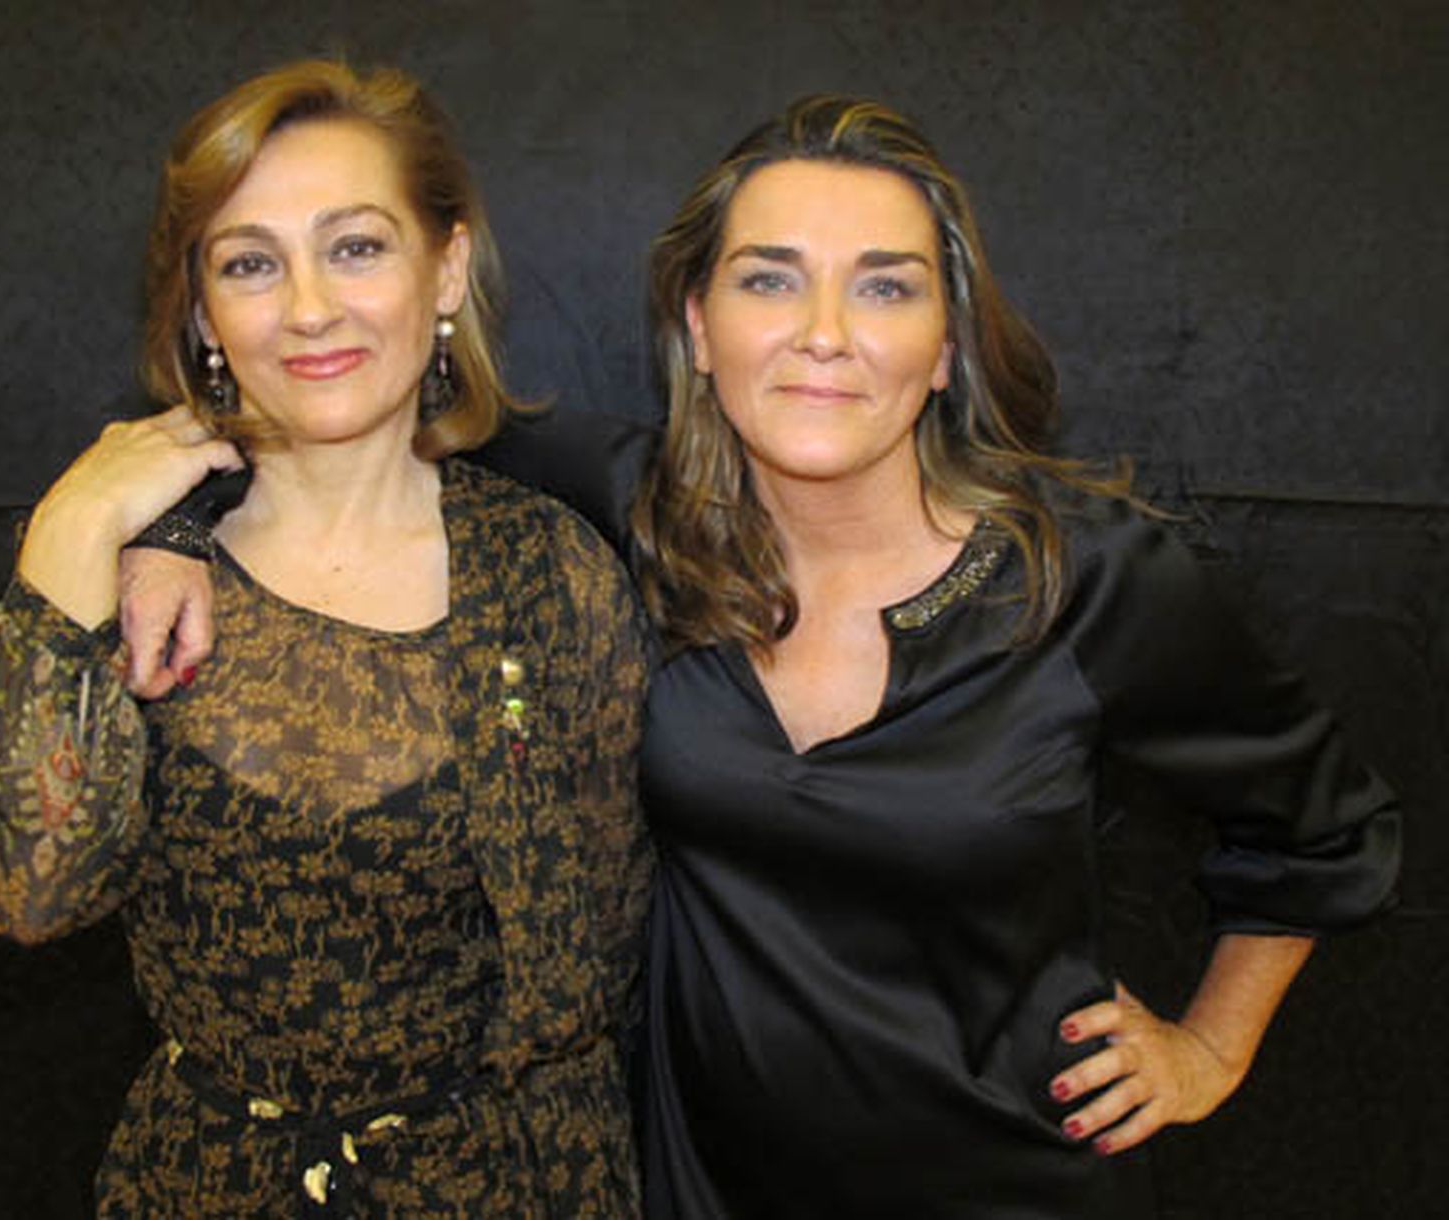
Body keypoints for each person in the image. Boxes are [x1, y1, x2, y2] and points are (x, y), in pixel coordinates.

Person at [118, 95, 1401, 1218]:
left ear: (946, 345)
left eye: (885, 286)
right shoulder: (625, 516)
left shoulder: (1088, 577)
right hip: (700, 1188)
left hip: (1010, 1182)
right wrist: (167, 525)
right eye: (769, 280)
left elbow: (1322, 831)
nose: (822, 332)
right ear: (697, 323)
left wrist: (1207, 1048)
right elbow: (349, 404)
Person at [0, 60, 652, 1218]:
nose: (309, 307)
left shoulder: (555, 571)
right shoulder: (103, 572)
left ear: (444, 266)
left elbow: (621, 920)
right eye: (250, 263)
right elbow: (28, 886)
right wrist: (76, 526)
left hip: (516, 1180)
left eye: (354, 246)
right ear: (202, 310)